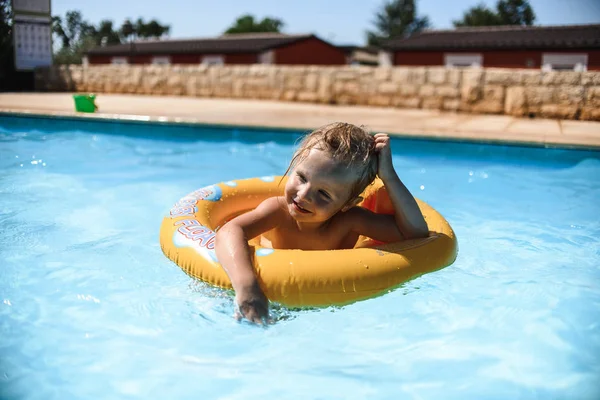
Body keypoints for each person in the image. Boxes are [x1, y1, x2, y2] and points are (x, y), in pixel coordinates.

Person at [215, 122, 428, 324]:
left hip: (324, 304)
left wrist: (389, 177)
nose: (304, 195)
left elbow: (414, 234)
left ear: (348, 203)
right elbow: (230, 231)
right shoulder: (278, 212)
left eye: (324, 194)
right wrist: (247, 286)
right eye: (302, 177)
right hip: (269, 293)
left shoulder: (350, 221)